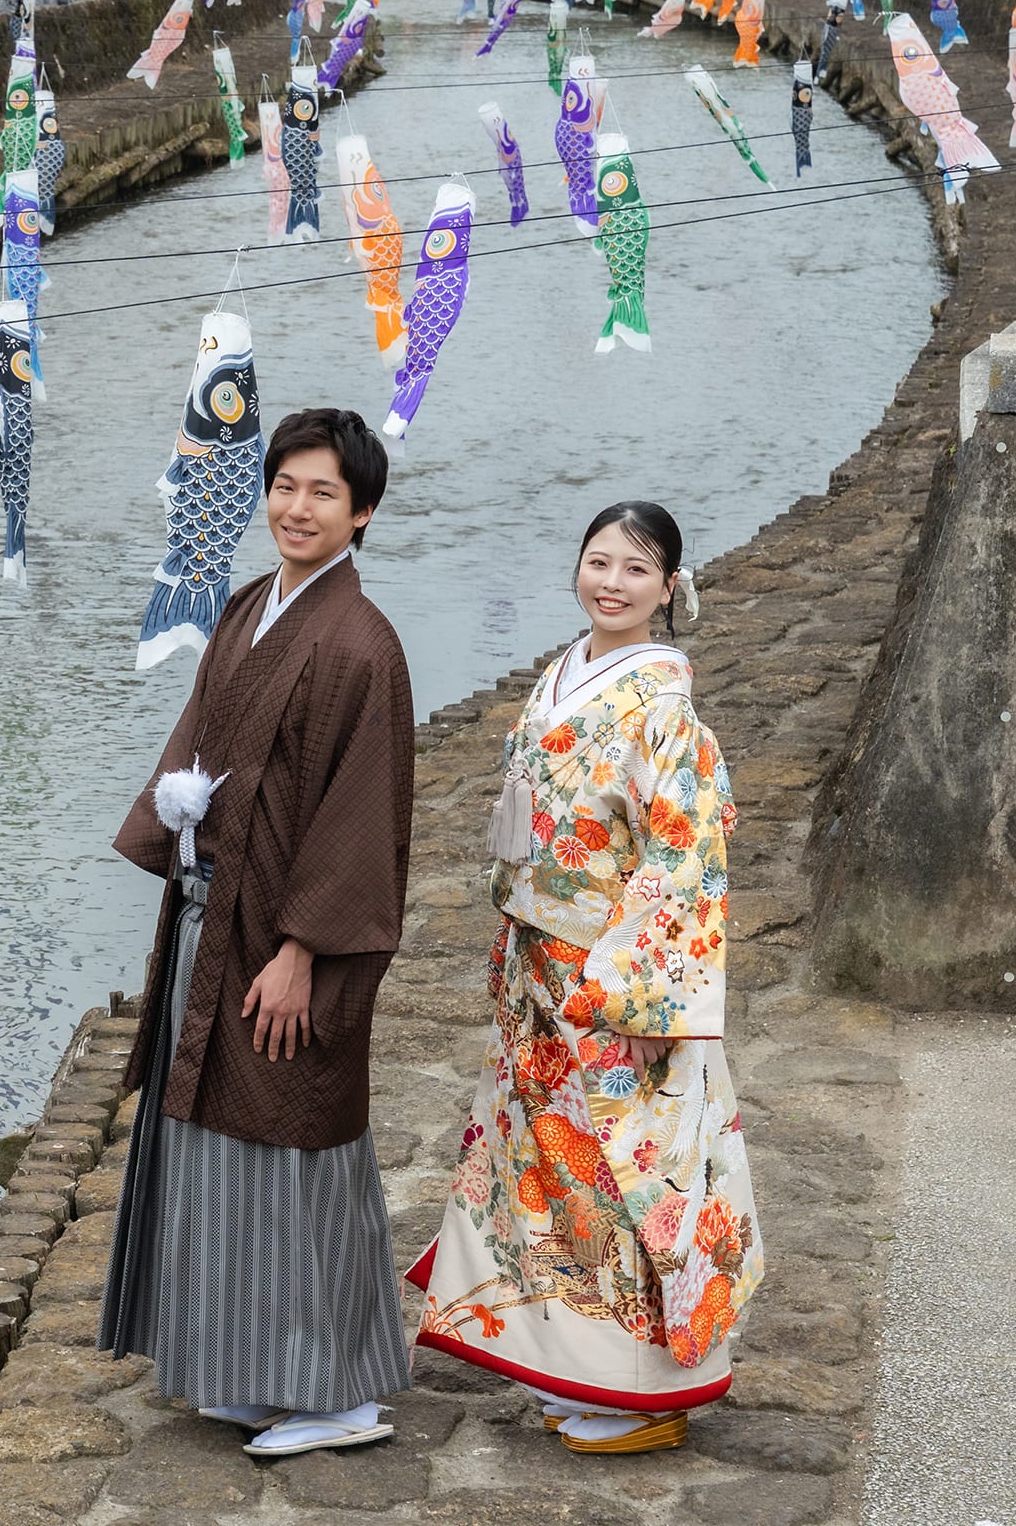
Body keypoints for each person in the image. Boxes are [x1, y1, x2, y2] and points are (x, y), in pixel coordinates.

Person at [410, 502, 759, 1454]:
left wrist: (641, 998)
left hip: (611, 982)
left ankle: (647, 1387)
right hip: (539, 965)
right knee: (550, 1171)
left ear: (669, 587)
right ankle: (584, 1365)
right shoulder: (564, 674)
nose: (611, 583)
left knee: (627, 1177)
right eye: (598, 562)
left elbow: (683, 859)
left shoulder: (665, 709)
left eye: (636, 570)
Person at [100, 408, 415, 1460]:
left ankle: (338, 1392)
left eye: (324, 492)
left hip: (284, 940)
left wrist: (304, 952)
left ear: (361, 513)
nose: (297, 507)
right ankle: (249, 1370)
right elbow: (198, 742)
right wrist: (176, 827)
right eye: (285, 485)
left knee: (295, 1147)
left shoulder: (361, 644)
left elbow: (362, 818)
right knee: (216, 1145)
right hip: (214, 915)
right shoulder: (249, 608)